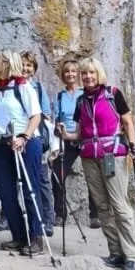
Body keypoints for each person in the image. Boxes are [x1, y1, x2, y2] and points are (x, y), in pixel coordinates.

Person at [75, 59, 135, 270]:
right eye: (84, 74)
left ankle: (131, 255)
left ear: (98, 73)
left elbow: (127, 121)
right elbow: (79, 132)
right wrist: (63, 134)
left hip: (113, 154)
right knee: (102, 206)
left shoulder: (113, 93)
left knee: (119, 204)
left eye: (91, 73)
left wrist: (133, 145)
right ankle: (116, 251)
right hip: (89, 156)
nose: (88, 77)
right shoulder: (81, 101)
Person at [0, 51, 43, 252]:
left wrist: (24, 137)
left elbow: (36, 116)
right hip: (2, 143)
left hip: (25, 142)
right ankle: (19, 235)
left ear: (6, 63)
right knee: (5, 191)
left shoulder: (22, 86)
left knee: (30, 189)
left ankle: (37, 237)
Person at [17, 50, 53, 237]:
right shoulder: (13, 85)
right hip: (17, 139)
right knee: (17, 179)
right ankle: (8, 217)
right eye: (23, 64)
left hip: (36, 138)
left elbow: (45, 113)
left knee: (42, 179)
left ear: (34, 69)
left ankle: (47, 219)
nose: (25, 68)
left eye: (29, 65)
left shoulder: (38, 88)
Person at [51, 57, 83, 229]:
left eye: (73, 71)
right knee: (57, 174)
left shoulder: (84, 93)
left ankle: (96, 214)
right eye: (67, 71)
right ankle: (59, 213)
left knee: (94, 173)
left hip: (82, 136)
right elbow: (57, 116)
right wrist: (57, 127)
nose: (70, 74)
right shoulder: (60, 96)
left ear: (78, 74)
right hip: (66, 137)